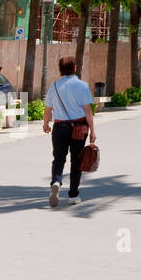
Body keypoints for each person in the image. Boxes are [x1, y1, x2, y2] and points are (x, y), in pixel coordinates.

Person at [43, 57, 96, 207]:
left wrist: (45, 124)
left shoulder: (54, 86)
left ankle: (56, 182)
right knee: (77, 161)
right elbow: (87, 111)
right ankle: (73, 194)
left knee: (59, 158)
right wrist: (92, 131)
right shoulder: (82, 86)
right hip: (79, 128)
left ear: (60, 69)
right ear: (75, 68)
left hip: (60, 127)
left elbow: (48, 109)